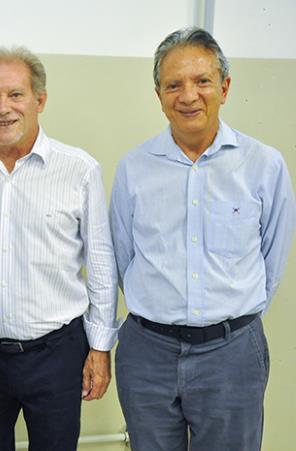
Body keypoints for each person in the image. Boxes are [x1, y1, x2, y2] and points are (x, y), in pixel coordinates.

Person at [110, 27, 296, 451]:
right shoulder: (134, 168)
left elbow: (273, 257)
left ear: (225, 88)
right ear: (159, 95)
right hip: (147, 352)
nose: (188, 95)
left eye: (202, 81)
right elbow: (124, 257)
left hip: (231, 354)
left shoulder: (263, 165)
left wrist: (227, 319)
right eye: (174, 85)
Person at [0, 46, 118, 451]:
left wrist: (100, 347)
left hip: (57, 353)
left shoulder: (78, 170)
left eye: (15, 95)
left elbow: (100, 263)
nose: (3, 108)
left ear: (39, 100)